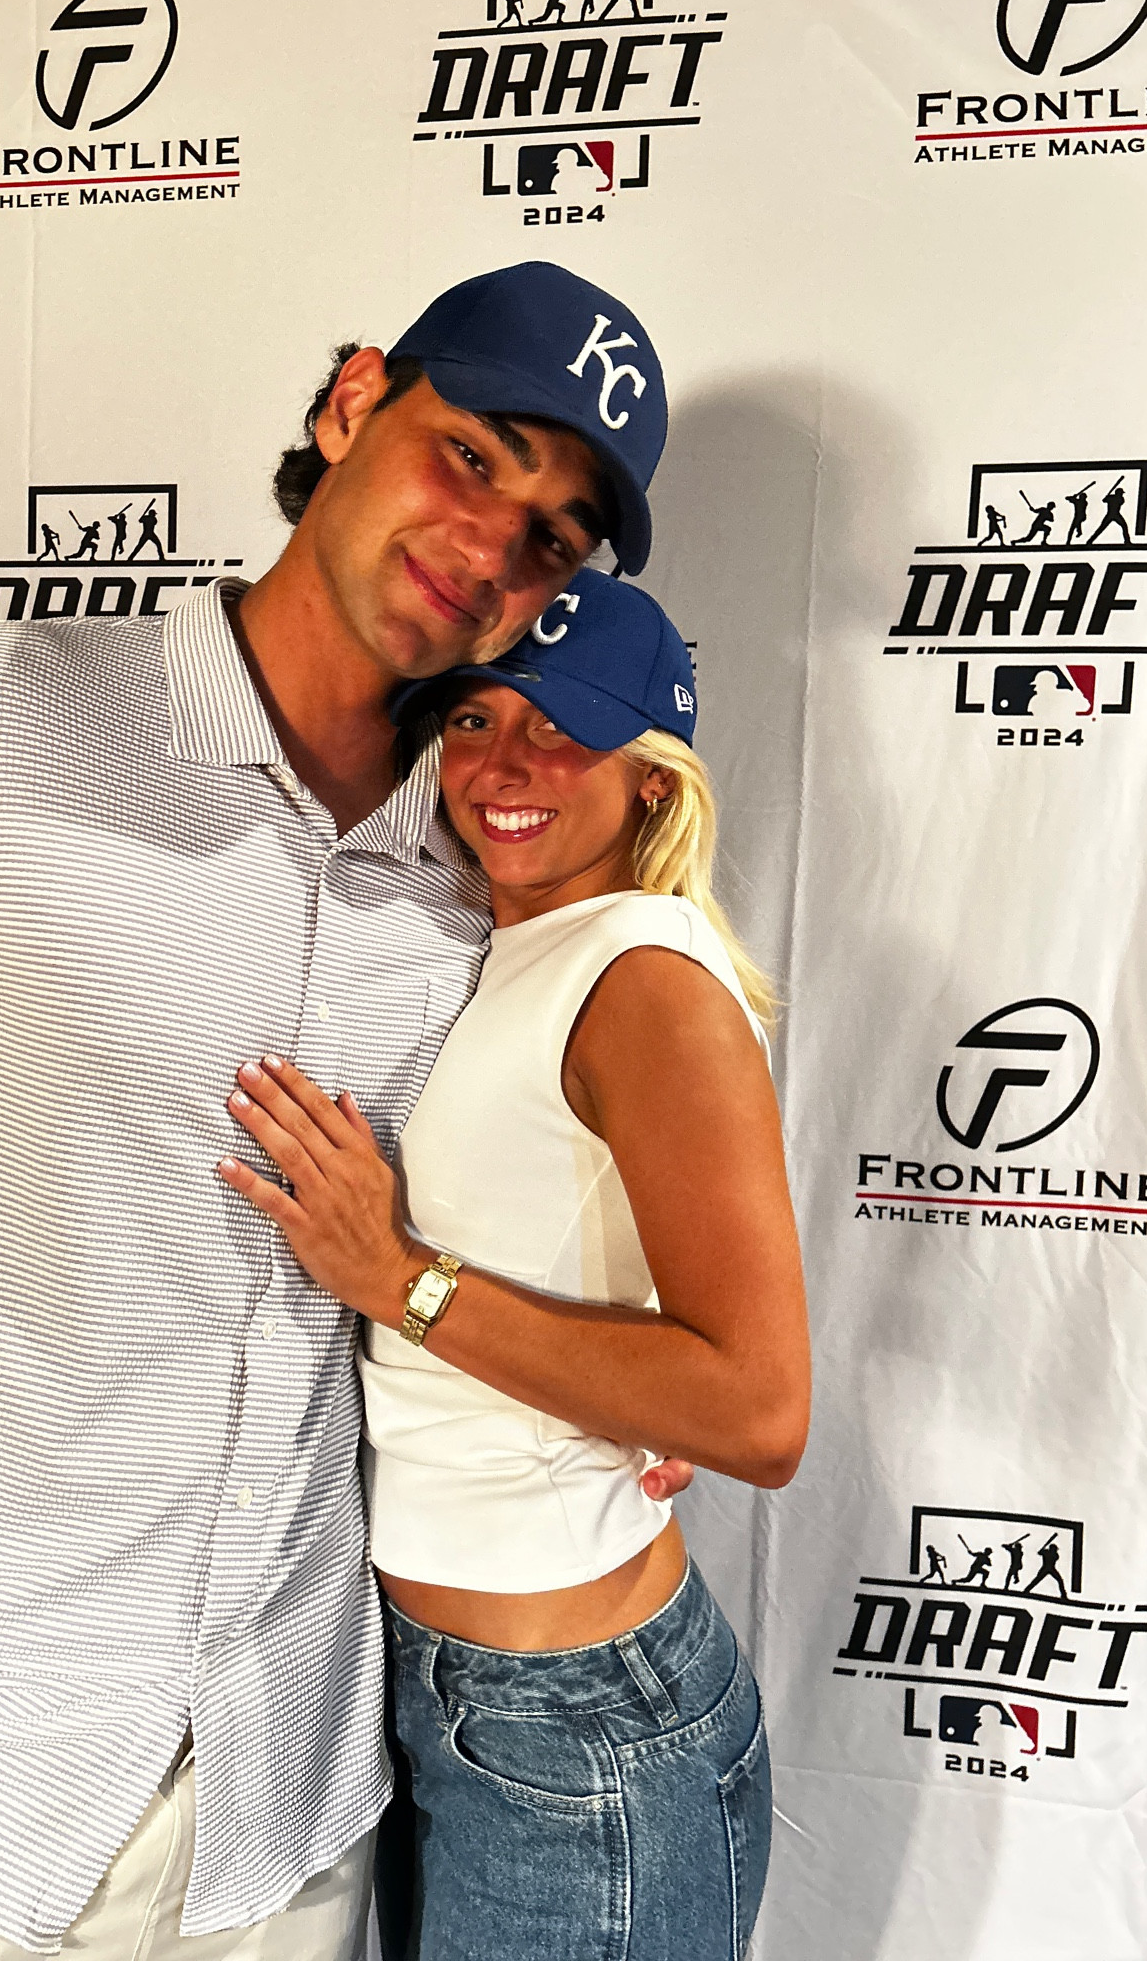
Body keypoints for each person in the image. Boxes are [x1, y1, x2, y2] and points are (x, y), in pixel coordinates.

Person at [0, 261, 690, 1960]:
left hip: (276, 1841)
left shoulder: (490, 880)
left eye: (553, 536)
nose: (493, 544)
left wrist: (620, 1375)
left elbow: (544, 1195)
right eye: (473, 454)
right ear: (353, 401)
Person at [217, 568, 808, 1961]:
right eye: (474, 721)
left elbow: (761, 1411)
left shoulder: (645, 977)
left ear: (652, 781)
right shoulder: (495, 946)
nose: (504, 766)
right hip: (433, 1694)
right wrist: (621, 1375)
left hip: (577, 1727)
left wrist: (400, 1279)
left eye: (561, 728)